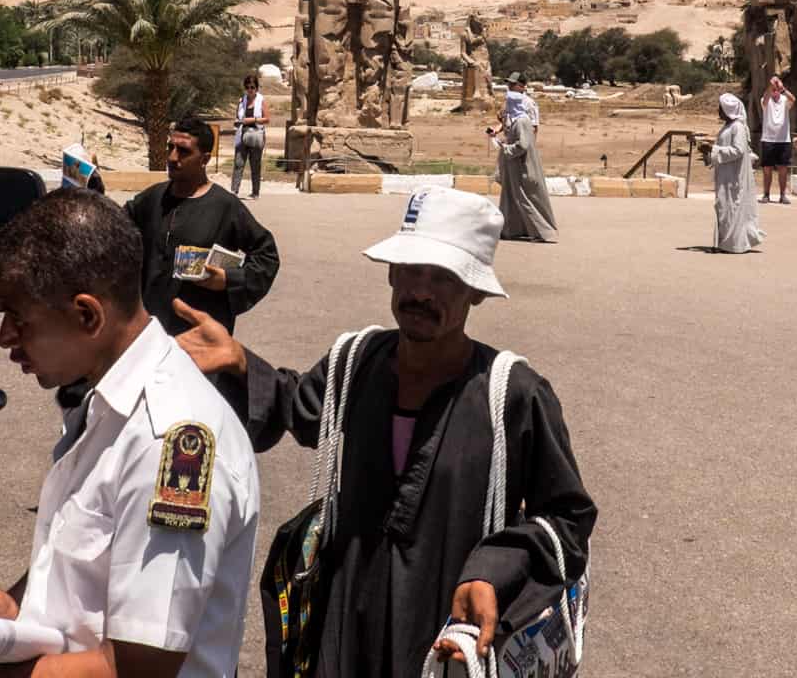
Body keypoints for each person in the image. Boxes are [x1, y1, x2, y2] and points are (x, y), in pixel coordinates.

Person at [174, 186, 596, 677]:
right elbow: (303, 407)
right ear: (391, 273)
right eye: (412, 270)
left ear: (476, 290)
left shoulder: (513, 394)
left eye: (444, 277)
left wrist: (492, 571)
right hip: (345, 630)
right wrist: (242, 363)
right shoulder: (355, 363)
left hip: (446, 640)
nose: (421, 291)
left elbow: (567, 518)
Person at [0, 190, 261, 678]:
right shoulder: (108, 405)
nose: (4, 337)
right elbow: (84, 579)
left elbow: (137, 666)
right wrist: (11, 610)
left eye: (19, 319)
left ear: (87, 315)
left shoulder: (166, 440)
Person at [125, 116, 278, 338]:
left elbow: (267, 255)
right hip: (150, 334)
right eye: (171, 148)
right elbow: (114, 230)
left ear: (204, 159)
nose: (172, 157)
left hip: (200, 339)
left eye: (183, 151)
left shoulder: (225, 206)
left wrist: (229, 280)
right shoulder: (152, 198)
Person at [702, 93, 765, 254]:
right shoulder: (728, 127)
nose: (718, 111)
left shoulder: (737, 127)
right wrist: (708, 153)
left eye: (720, 108)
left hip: (733, 177)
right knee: (724, 206)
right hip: (725, 175)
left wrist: (714, 149)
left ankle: (734, 244)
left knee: (731, 207)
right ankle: (725, 243)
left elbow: (738, 150)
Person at [492, 101, 557, 244]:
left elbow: (524, 143)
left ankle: (541, 231)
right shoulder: (513, 117)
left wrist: (506, 148)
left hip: (520, 162)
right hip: (510, 161)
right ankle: (510, 230)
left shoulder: (523, 118)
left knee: (523, 197)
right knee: (510, 196)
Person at [230, 73, 268, 199]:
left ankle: (255, 192)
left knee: (255, 165)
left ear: (256, 88)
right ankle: (234, 191)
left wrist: (252, 120)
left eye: (252, 87)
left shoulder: (261, 100)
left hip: (256, 135)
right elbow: (238, 116)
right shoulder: (241, 100)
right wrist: (238, 122)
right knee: (238, 163)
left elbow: (267, 119)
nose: (250, 90)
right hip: (242, 135)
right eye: (247, 87)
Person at [759, 73, 795, 205]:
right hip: (768, 139)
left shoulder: (784, 100)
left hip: (783, 139)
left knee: (783, 168)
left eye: (776, 88)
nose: (775, 91)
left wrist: (782, 88)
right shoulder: (765, 99)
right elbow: (764, 100)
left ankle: (782, 195)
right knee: (767, 168)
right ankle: (766, 194)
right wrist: (770, 87)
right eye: (773, 89)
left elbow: (793, 99)